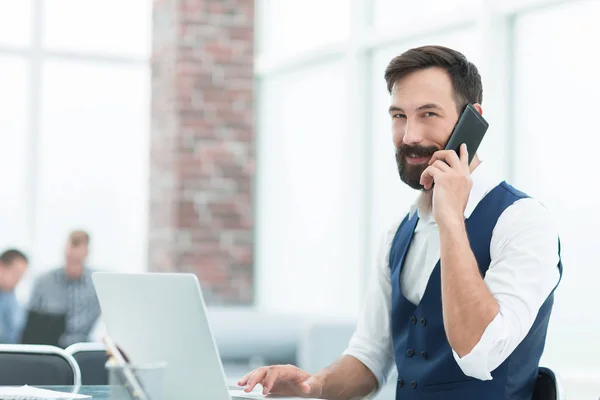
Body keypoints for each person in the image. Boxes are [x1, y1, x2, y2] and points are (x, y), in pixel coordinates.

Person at [237, 45, 562, 399]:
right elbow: (368, 358)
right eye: (399, 116)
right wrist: (310, 386)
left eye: (428, 114)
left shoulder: (523, 222)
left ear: (473, 119)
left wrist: (450, 217)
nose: (409, 136)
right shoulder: (400, 232)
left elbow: (477, 352)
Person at [28, 230, 101, 347]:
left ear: (86, 253)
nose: (73, 264)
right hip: (50, 348)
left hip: (84, 349)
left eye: (77, 260)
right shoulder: (43, 282)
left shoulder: (97, 284)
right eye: (70, 258)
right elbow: (31, 323)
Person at [0, 249, 28, 343]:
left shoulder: (11, 298)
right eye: (16, 273)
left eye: (20, 276)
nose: (17, 280)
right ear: (1, 266)